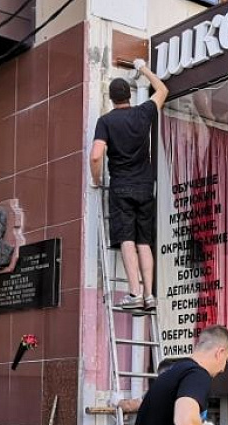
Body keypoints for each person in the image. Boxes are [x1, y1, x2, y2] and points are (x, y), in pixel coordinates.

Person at [90, 59, 169, 311]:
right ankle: (149, 295)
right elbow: (163, 90)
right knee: (144, 241)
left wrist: (96, 179)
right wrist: (142, 68)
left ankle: (134, 293)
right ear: (129, 96)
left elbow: (96, 155)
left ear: (112, 99)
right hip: (145, 186)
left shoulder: (106, 121)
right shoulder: (143, 113)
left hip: (122, 186)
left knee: (127, 239)